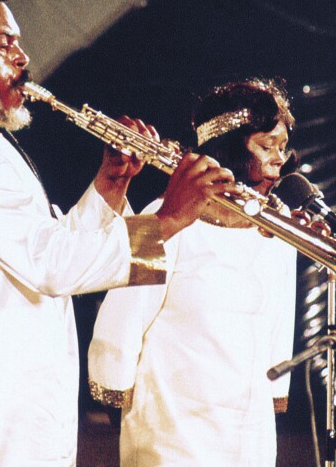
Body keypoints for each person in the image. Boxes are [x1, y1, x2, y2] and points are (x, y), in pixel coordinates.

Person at [0, 0, 238, 466]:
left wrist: (110, 184)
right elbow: (54, 268)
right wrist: (169, 220)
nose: (22, 57)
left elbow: (46, 252)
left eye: (18, 41)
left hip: (7, 409)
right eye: (2, 43)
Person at [88, 78, 298, 466]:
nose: (278, 159)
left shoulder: (278, 231)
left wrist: (270, 402)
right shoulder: (163, 220)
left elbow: (278, 330)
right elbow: (118, 327)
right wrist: (120, 410)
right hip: (171, 438)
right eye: (266, 146)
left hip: (248, 439)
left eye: (282, 148)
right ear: (230, 146)